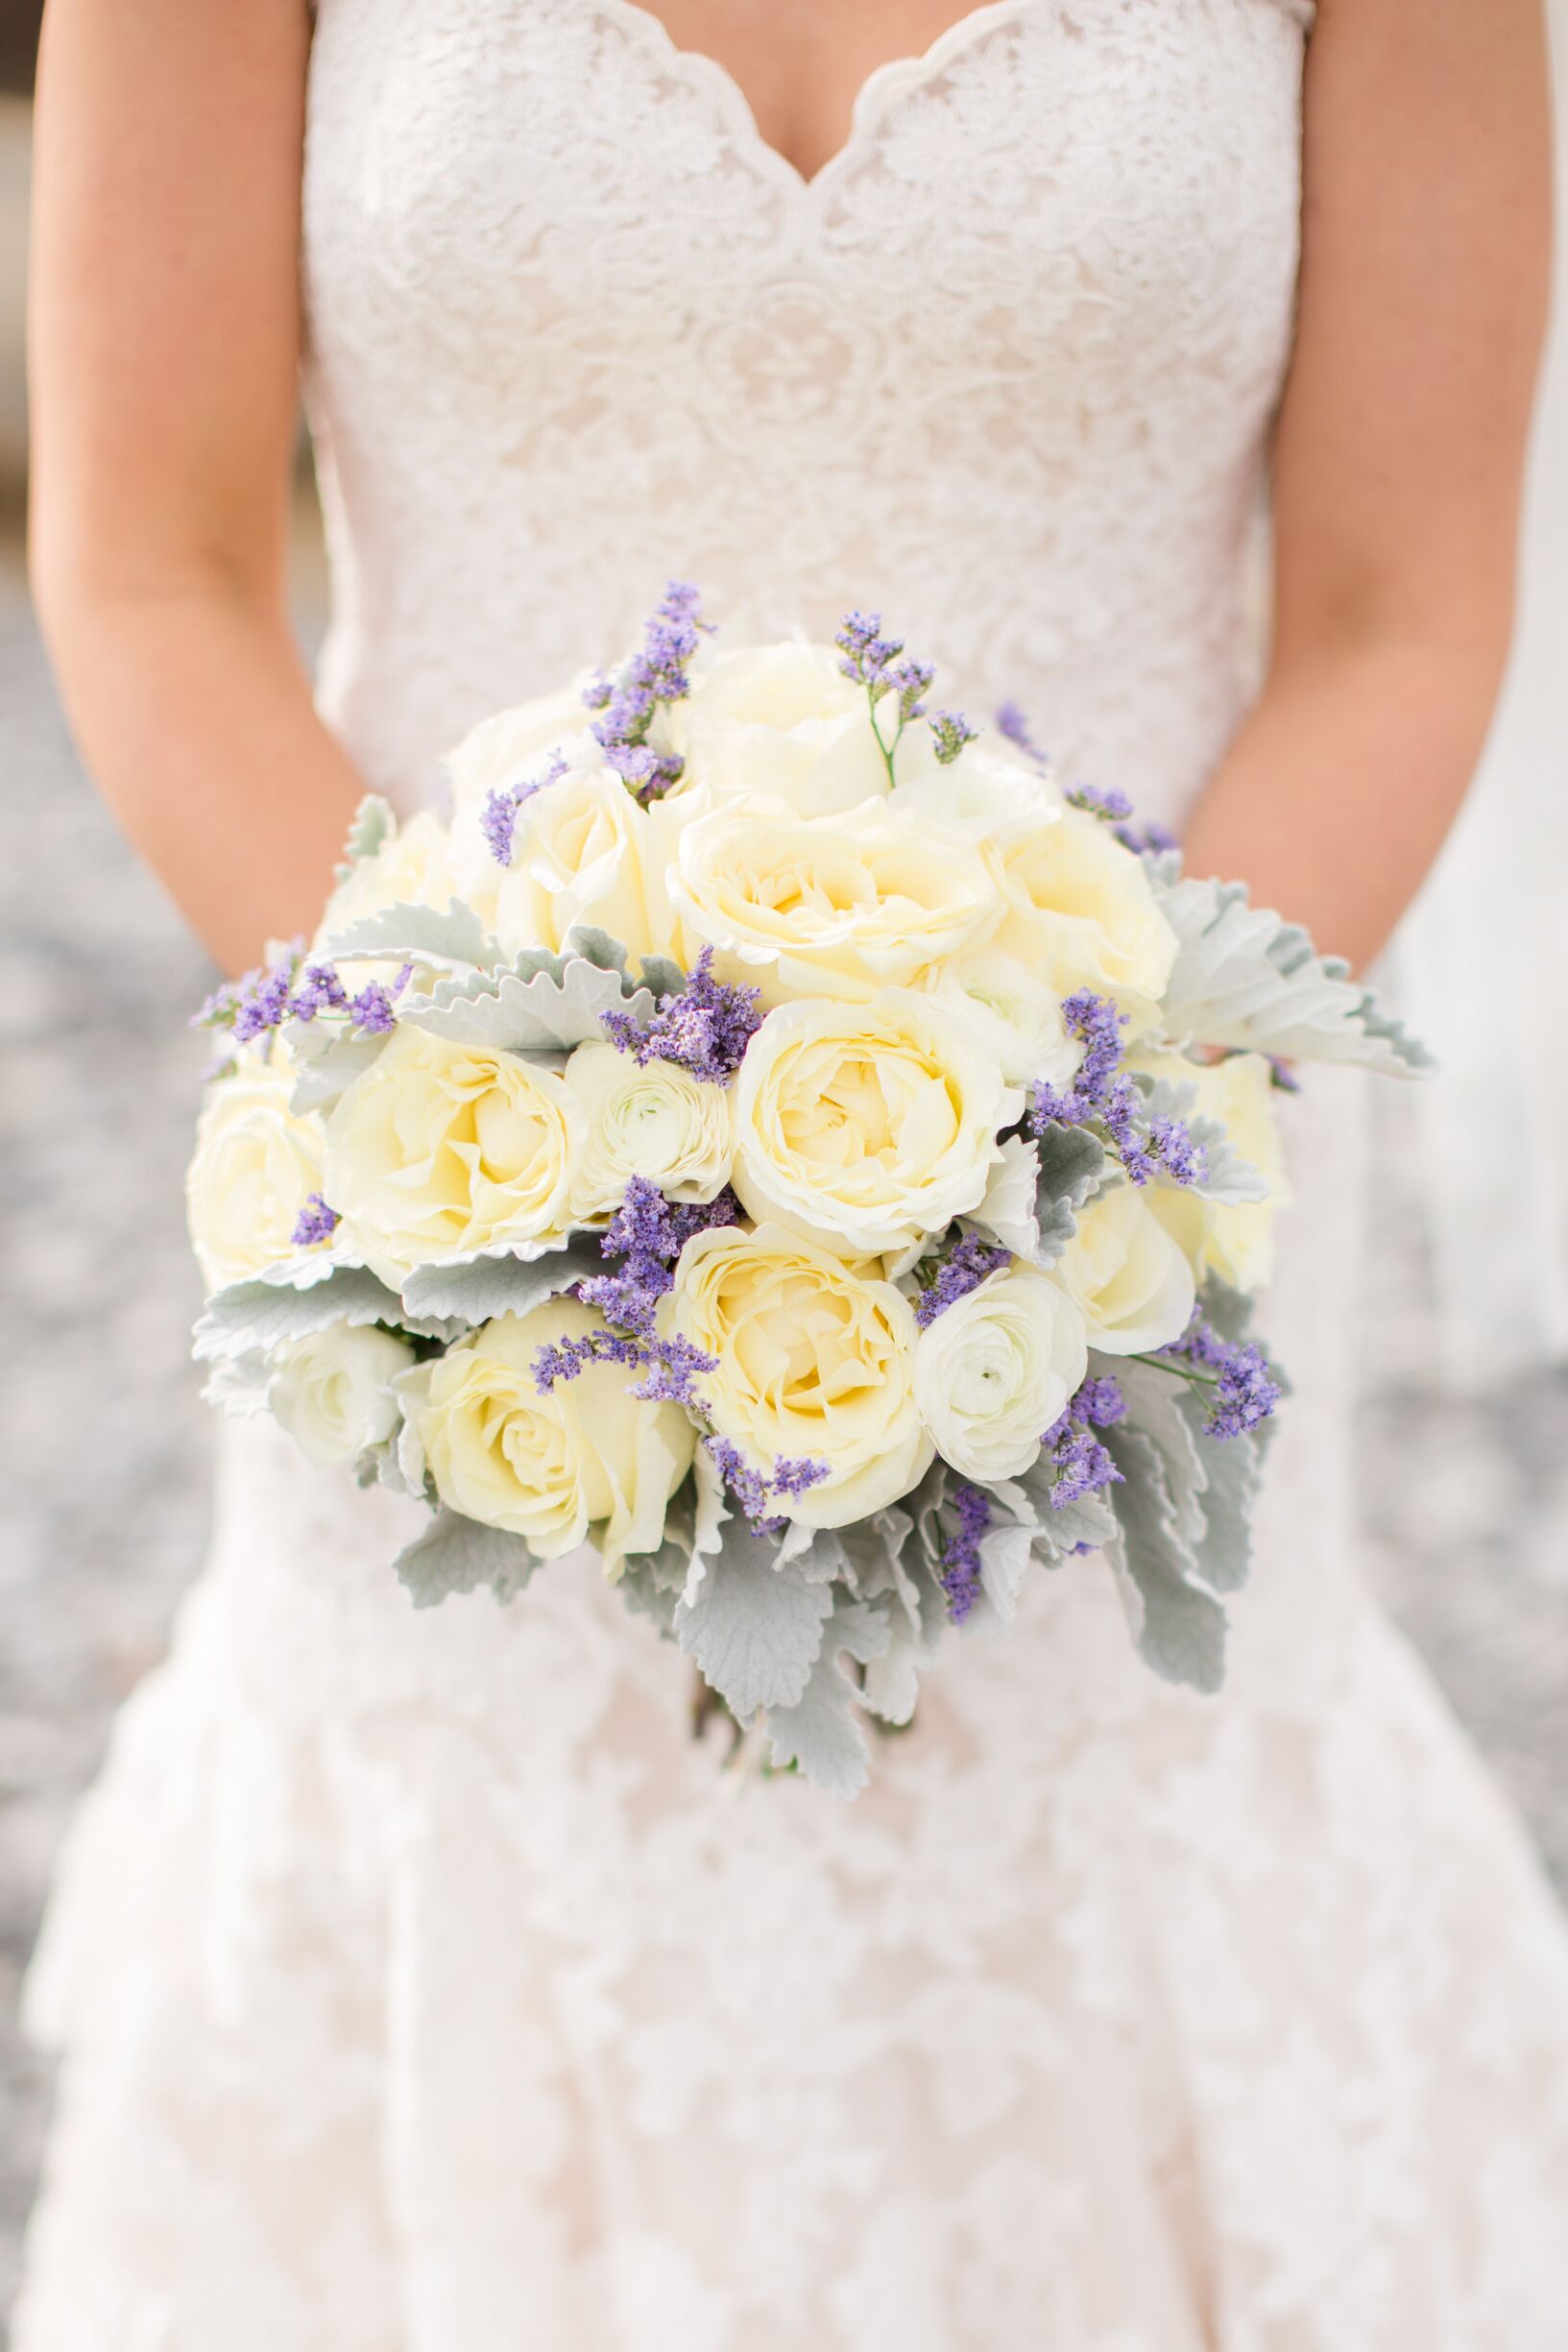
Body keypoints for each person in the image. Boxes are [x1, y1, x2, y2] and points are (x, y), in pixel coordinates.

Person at [15, 2, 1568, 2343]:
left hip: (1120, 1242)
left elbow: (1394, 612)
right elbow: (149, 562)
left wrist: (1052, 1165)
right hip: (442, 1200)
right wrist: (486, 1167)